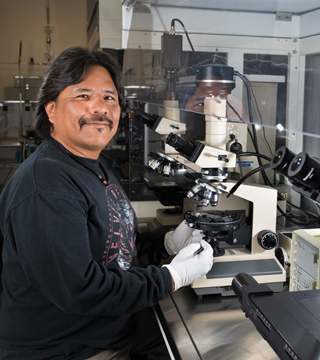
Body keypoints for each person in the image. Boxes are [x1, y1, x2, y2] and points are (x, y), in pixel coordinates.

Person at [0, 46, 213, 360]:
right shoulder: (46, 185)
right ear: (51, 109)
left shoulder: (93, 164)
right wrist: (170, 277)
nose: (99, 108)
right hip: (68, 350)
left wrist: (163, 245)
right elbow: (81, 290)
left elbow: (113, 249)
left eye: (109, 98)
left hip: (111, 329)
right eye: (83, 96)